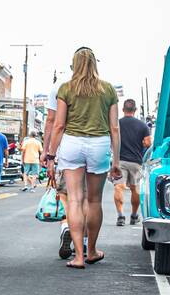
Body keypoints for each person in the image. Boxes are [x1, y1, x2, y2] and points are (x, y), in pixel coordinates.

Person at [43, 46, 120, 269]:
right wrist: (116, 161)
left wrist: (51, 155)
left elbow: (59, 125)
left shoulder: (66, 88)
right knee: (94, 200)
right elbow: (114, 128)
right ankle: (92, 250)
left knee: (75, 200)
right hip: (99, 144)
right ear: (95, 64)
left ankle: (77, 256)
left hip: (72, 143)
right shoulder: (108, 89)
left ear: (74, 64)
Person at [114, 99, 152, 226]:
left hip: (120, 161)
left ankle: (120, 216)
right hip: (136, 162)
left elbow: (111, 140)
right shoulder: (143, 126)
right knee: (135, 189)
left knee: (118, 187)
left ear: (123, 110)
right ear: (135, 110)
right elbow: (148, 143)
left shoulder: (117, 124)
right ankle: (134, 215)